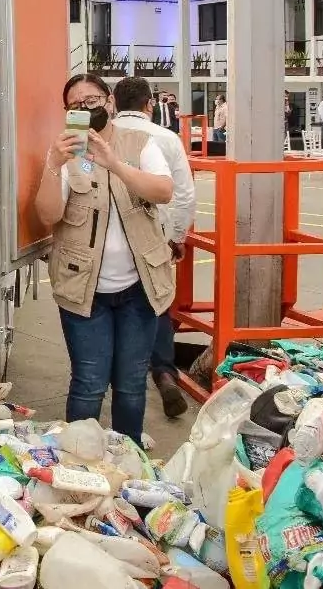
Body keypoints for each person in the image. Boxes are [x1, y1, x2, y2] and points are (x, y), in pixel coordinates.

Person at [33, 74, 175, 444]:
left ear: (110, 102)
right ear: (67, 113)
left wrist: (114, 164)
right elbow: (47, 215)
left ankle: (128, 458)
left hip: (139, 288)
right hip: (85, 292)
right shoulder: (66, 154)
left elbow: (163, 191)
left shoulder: (141, 143)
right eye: (76, 105)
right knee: (89, 383)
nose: (86, 108)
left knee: (130, 384)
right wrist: (52, 163)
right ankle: (80, 460)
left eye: (93, 99)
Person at [112, 77, 195, 420]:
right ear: (149, 105)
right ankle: (163, 370)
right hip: (155, 233)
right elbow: (184, 194)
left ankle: (113, 373)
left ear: (113, 104)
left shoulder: (105, 135)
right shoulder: (168, 138)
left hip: (109, 236)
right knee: (157, 301)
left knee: (109, 305)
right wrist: (177, 237)